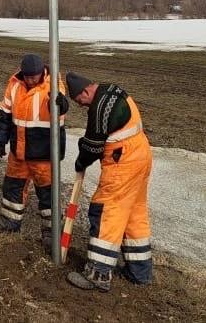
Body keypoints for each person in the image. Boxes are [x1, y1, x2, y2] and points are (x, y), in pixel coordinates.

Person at [63, 71, 153, 292]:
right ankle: (140, 273)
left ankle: (98, 274)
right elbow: (98, 135)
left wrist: (80, 162)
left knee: (105, 211)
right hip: (141, 155)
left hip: (123, 162)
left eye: (79, 101)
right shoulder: (110, 91)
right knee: (133, 214)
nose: (81, 105)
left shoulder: (100, 107)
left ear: (85, 91)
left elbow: (93, 145)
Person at [0, 53, 69, 245]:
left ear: (41, 72)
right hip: (19, 151)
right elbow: (5, 114)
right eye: (27, 76)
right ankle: (9, 225)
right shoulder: (15, 84)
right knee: (12, 190)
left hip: (44, 153)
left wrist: (61, 103)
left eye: (34, 76)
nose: (31, 80)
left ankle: (52, 235)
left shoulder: (53, 84)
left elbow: (61, 107)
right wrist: (1, 138)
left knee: (48, 195)